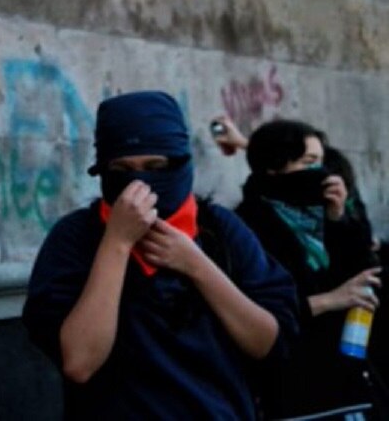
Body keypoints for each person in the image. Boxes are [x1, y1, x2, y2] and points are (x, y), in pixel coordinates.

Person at [23, 91, 297, 419]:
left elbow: (267, 343)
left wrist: (195, 264)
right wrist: (117, 244)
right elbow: (79, 363)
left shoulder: (221, 230)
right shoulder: (77, 238)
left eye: (156, 167)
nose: (140, 183)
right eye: (122, 169)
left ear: (180, 162)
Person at [236, 119, 381, 419]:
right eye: (309, 162)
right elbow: (253, 310)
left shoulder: (318, 216)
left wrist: (339, 218)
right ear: (274, 167)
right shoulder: (246, 226)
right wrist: (330, 300)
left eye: (322, 162)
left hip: (345, 373)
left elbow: (362, 273)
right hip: (292, 383)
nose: (322, 173)